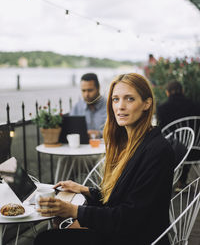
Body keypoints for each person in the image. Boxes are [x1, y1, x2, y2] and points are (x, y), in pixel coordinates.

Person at [34, 73, 175, 245]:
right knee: (53, 234)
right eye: (115, 99)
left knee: (46, 239)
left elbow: (128, 216)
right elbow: (119, 198)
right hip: (122, 230)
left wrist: (73, 210)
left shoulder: (157, 150)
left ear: (147, 103)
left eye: (129, 99)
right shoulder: (132, 143)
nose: (120, 107)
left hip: (133, 237)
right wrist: (84, 189)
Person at [157, 80, 198, 191]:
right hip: (194, 150)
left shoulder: (162, 108)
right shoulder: (195, 105)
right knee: (187, 144)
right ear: (182, 91)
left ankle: (169, 181)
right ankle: (182, 181)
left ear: (167, 93)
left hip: (172, 151)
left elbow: (162, 131)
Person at [70, 73, 107, 138]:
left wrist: (99, 134)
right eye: (83, 91)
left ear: (98, 88)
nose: (86, 94)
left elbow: (118, 131)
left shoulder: (110, 106)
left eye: (90, 90)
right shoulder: (77, 107)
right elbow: (71, 130)